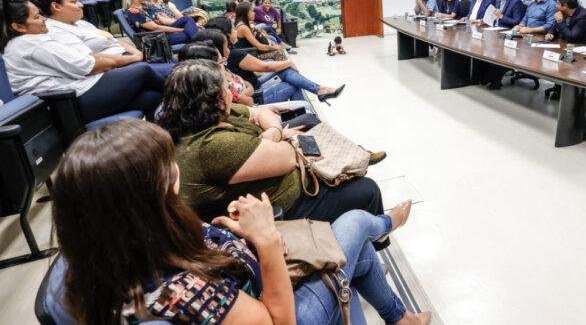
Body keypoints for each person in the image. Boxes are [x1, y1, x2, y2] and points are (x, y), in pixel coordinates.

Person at [48, 119, 430, 324]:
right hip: (275, 307)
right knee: (356, 224)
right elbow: (278, 320)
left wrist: (232, 236)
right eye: (167, 165)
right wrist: (264, 240)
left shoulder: (96, 258)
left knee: (358, 255)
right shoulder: (185, 291)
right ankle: (387, 223)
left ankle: (400, 319)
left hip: (243, 280)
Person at [156, 60, 387, 224]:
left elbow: (257, 112)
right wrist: (277, 131)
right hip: (282, 207)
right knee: (367, 190)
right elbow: (286, 157)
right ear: (211, 98)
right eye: (225, 87)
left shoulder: (202, 117)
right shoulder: (212, 146)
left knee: (306, 122)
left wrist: (271, 134)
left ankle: (353, 157)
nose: (230, 92)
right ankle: (374, 243)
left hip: (267, 167)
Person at [0, 0, 163, 123]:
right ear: (18, 26)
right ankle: (184, 86)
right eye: (36, 17)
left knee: (150, 97)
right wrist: (112, 62)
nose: (43, 20)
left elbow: (86, 59)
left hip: (73, 95)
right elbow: (89, 64)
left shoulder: (21, 43)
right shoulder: (30, 43)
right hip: (68, 103)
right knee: (142, 70)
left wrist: (106, 62)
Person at [25, 0, 175, 78]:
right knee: (177, 75)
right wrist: (133, 58)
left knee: (172, 77)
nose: (81, 5)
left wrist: (136, 53)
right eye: (74, 1)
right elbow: (91, 60)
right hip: (115, 69)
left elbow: (114, 40)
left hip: (130, 60)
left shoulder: (81, 24)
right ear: (56, 7)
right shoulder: (56, 31)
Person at [201, 20, 344, 104]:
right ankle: (307, 113)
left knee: (287, 72)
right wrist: (288, 61)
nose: (235, 31)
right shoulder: (233, 54)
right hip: (257, 93)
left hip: (253, 85)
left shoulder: (226, 56)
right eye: (232, 29)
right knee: (293, 81)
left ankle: (316, 95)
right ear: (224, 35)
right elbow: (265, 66)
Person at [542, 0, 586, 100]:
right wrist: (550, 33)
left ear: (565, 6)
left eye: (557, 3)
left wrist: (560, 21)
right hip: (567, 47)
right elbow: (554, 26)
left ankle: (566, 91)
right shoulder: (563, 12)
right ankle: (559, 87)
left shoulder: (584, 16)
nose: (556, 6)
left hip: (582, 52)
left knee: (563, 59)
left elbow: (572, 36)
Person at [122, 0, 199, 46]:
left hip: (163, 33)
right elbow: (156, 28)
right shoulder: (133, 12)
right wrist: (182, 29)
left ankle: (201, 45)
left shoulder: (146, 5)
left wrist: (190, 26)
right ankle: (202, 46)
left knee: (187, 19)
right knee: (190, 34)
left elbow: (162, 20)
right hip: (156, 40)